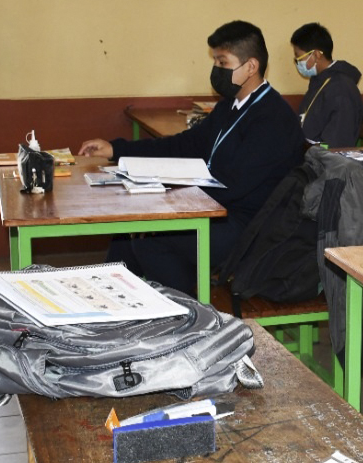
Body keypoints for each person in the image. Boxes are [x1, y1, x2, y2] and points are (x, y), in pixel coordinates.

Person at [79, 21, 304, 292]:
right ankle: (107, 300)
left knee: (152, 239)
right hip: (216, 210)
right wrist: (117, 149)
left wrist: (164, 193)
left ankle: (188, 320)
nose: (216, 70)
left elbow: (233, 186)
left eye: (223, 62)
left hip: (248, 229)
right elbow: (184, 145)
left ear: (251, 67)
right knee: (130, 229)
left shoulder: (273, 119)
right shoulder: (230, 107)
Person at [290, 22, 363, 148]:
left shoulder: (341, 89)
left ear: (316, 55)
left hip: (325, 161)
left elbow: (337, 143)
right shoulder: (320, 81)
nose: (297, 63)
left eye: (299, 57)